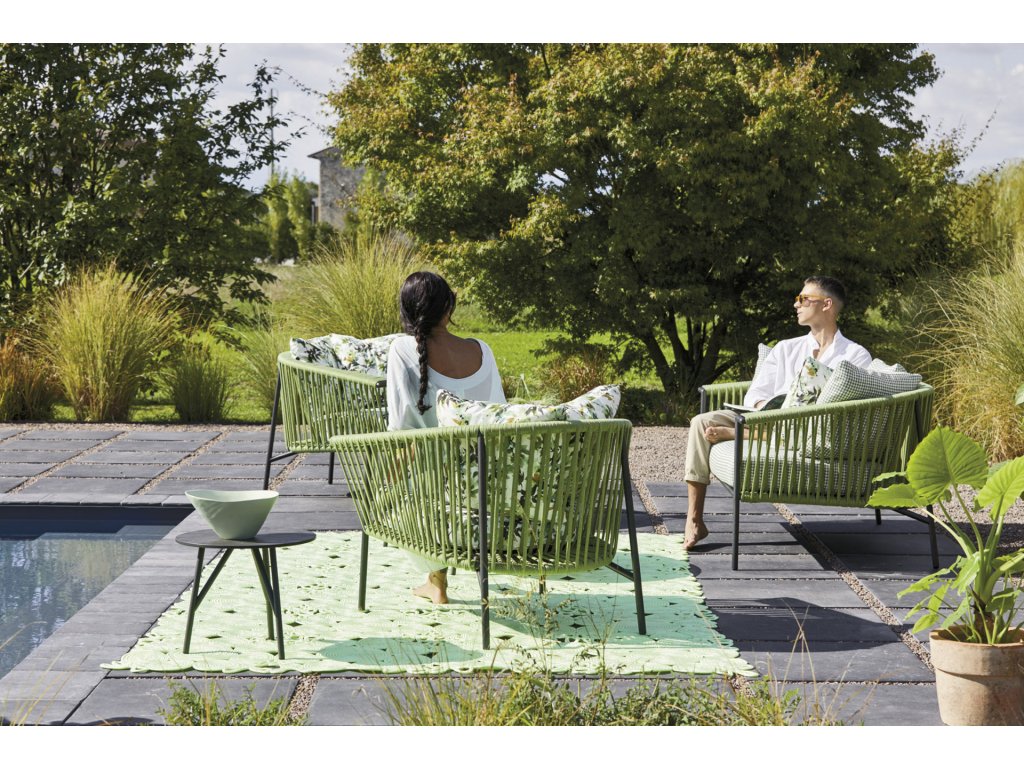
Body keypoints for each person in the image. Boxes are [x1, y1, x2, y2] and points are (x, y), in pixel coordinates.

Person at [683, 275, 871, 551]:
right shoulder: (785, 348)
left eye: (803, 299)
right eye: (797, 298)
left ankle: (743, 434)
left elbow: (853, 409)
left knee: (796, 417)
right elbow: (755, 395)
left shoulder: (855, 356)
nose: (796, 304)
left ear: (827, 305)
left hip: (814, 428)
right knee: (701, 422)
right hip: (767, 419)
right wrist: (767, 408)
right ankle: (695, 519)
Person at [385, 271, 506, 603]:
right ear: (448, 307)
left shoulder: (402, 349)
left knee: (401, 481)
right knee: (439, 473)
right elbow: (499, 414)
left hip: (435, 492)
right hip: (491, 485)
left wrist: (384, 480)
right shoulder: (482, 350)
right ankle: (436, 581)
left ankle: (436, 580)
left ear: (407, 311)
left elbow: (402, 429)